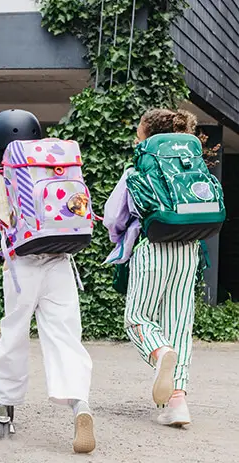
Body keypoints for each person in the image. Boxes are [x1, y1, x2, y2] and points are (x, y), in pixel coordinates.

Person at [0, 109, 96, 454]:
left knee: (15, 332)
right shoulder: (55, 169)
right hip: (61, 262)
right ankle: (79, 404)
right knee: (65, 335)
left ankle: (4, 406)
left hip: (21, 268)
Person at [104, 108, 201, 426]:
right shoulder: (189, 163)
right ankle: (178, 404)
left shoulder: (140, 168)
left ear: (147, 137)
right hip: (189, 249)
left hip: (153, 248)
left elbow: (112, 218)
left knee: (137, 319)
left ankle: (160, 353)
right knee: (179, 325)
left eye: (138, 133)